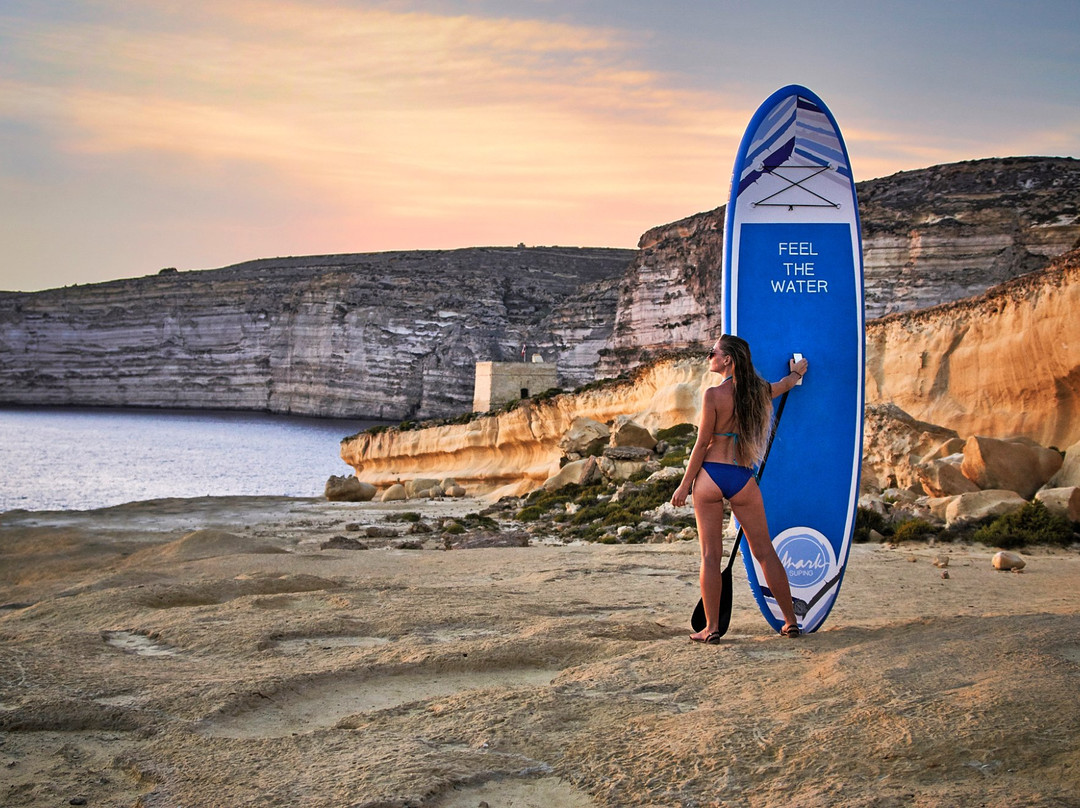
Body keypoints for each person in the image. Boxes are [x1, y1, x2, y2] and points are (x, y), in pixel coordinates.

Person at [671, 334, 807, 643]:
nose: (710, 358)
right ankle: (790, 621)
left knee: (710, 555)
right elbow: (785, 384)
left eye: (713, 353)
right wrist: (798, 372)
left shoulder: (713, 395)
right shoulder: (758, 392)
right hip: (742, 477)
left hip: (710, 478)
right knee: (764, 551)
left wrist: (683, 486)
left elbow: (702, 443)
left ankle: (711, 628)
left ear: (728, 360)